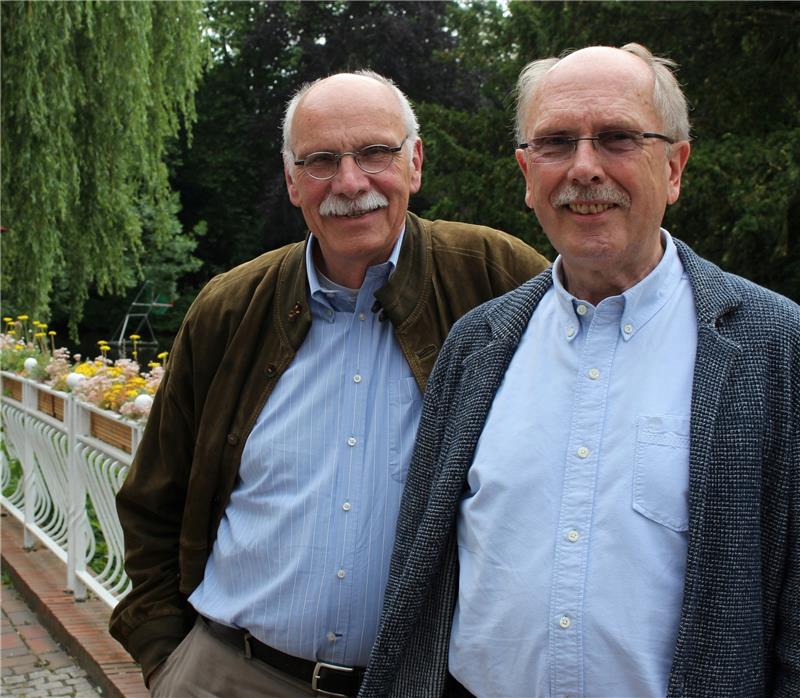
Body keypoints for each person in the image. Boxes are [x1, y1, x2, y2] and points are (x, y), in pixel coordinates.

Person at [361, 44, 799, 697]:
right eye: (556, 143)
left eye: (618, 138)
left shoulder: (775, 346)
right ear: (526, 173)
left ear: (674, 167)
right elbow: (418, 576)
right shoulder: (476, 346)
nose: (585, 167)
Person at [108, 69, 549, 697]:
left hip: (420, 684)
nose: (349, 183)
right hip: (232, 673)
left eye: (375, 153)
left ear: (415, 163)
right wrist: (165, 656)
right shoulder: (230, 309)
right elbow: (154, 498)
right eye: (320, 161)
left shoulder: (495, 278)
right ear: (293, 181)